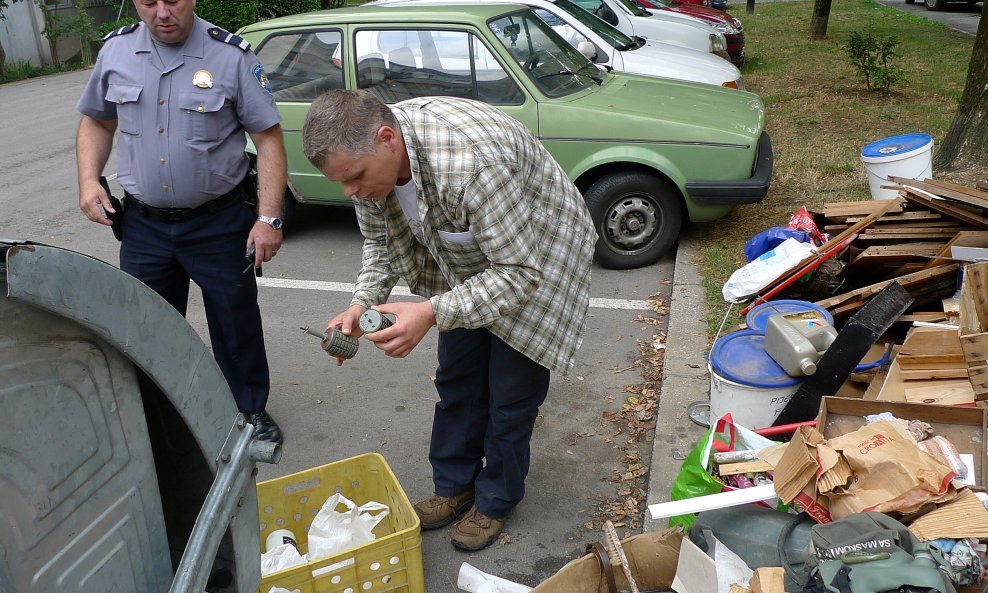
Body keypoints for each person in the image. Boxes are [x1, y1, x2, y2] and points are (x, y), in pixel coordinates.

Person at [301, 89, 597, 551]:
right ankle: (454, 486)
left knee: (510, 394)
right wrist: (362, 304)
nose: (350, 192)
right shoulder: (363, 165)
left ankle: (496, 498)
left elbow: (519, 272)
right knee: (458, 378)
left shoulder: (472, 162)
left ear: (386, 139)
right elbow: (380, 244)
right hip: (466, 259)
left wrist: (431, 311)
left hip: (537, 255)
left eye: (355, 178)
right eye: (343, 183)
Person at [75, 0, 287, 444]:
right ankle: (161, 414)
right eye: (149, 2)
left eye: (172, 0)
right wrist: (88, 180)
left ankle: (250, 413)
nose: (162, 12)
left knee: (234, 321)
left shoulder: (230, 56)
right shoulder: (115, 52)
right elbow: (97, 120)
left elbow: (267, 138)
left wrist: (269, 218)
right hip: (143, 226)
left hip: (219, 223)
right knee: (146, 324)